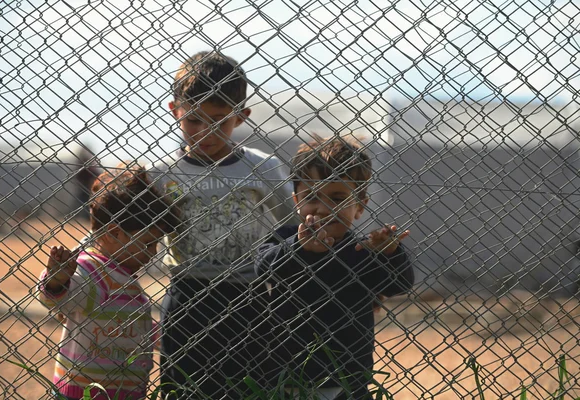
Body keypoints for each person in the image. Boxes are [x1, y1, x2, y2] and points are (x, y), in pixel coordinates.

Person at [148, 50, 295, 398]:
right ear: (175, 111)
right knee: (182, 388)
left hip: (251, 297)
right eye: (193, 120)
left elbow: (293, 226)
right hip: (188, 294)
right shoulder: (160, 175)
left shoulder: (263, 168)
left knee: (251, 388)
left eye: (219, 121)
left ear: (241, 117)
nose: (205, 132)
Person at [255, 134, 415, 399]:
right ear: (296, 202)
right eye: (313, 197)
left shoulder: (362, 250)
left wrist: (389, 252)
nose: (324, 208)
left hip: (347, 376)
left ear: (360, 206)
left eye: (338, 198)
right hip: (284, 373)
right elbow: (264, 267)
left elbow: (399, 284)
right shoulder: (285, 238)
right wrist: (299, 247)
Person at [37, 162, 181, 400]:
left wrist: (158, 335)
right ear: (114, 233)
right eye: (147, 243)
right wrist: (58, 279)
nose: (153, 252)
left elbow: (126, 322)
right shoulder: (92, 270)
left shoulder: (123, 276)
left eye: (156, 244)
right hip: (85, 393)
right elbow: (64, 298)